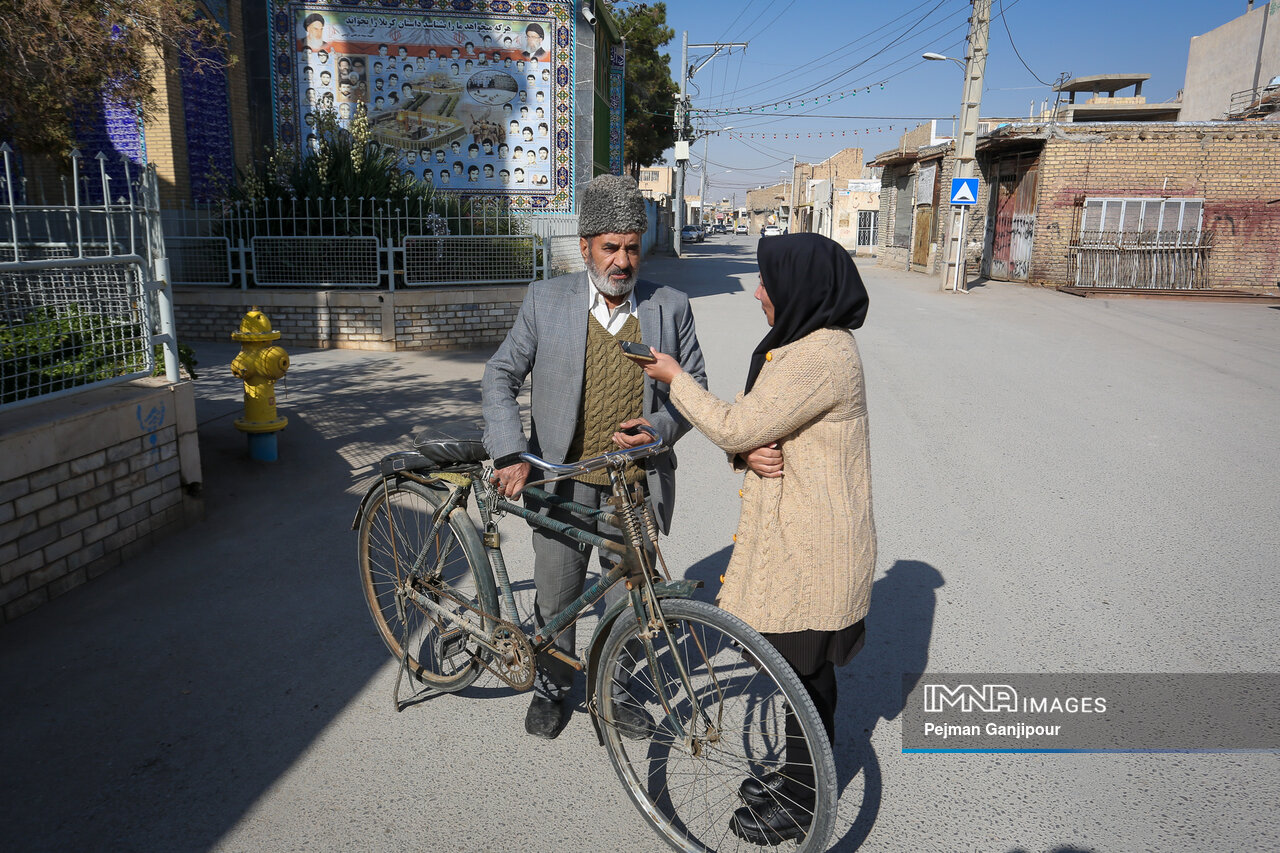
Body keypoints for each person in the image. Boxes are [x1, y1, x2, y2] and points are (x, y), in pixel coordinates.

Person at [634, 232, 874, 845]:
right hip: (803, 536)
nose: (759, 294)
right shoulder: (800, 343)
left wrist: (674, 378)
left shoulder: (820, 355)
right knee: (803, 670)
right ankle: (800, 777)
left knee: (805, 674)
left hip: (814, 547)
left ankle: (801, 800)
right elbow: (757, 433)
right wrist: (750, 452)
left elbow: (739, 423)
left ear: (802, 288)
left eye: (768, 282)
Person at [482, 174, 709, 740]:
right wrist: (511, 451)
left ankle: (615, 687)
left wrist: (658, 427)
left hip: (632, 484)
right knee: (557, 588)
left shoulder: (670, 307)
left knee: (624, 596)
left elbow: (695, 384)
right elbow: (500, 373)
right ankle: (553, 688)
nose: (623, 260)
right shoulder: (547, 301)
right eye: (611, 246)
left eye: (632, 246)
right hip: (561, 479)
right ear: (585, 247)